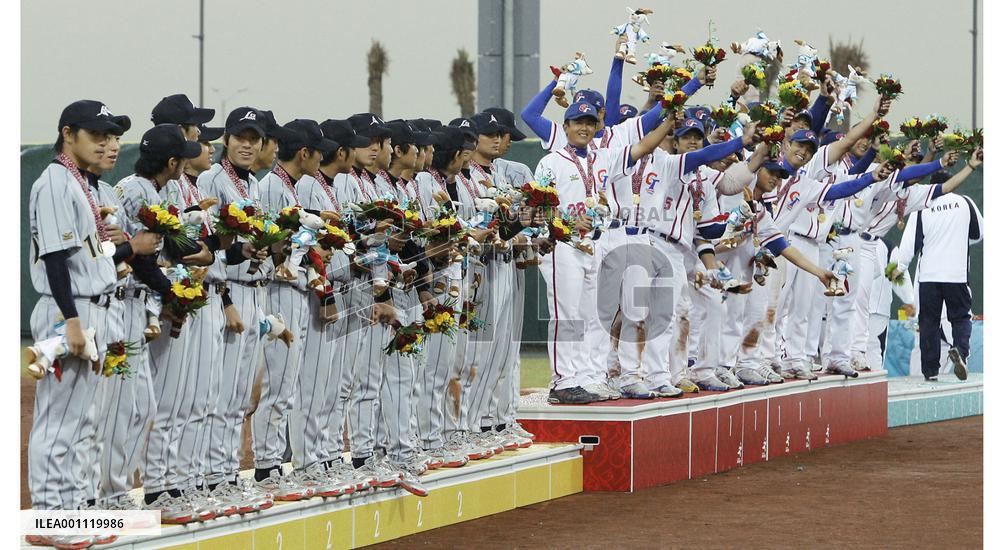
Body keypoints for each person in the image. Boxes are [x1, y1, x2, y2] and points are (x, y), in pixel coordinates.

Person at [253, 119, 339, 499]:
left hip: (296, 290)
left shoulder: (286, 185)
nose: (321, 158)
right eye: (318, 152)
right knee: (278, 385)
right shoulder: (273, 187)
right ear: (304, 153)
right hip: (279, 290)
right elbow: (273, 243)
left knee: (288, 387)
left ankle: (277, 464)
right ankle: (266, 467)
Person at [197, 107, 275, 513]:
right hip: (228, 293)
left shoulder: (253, 183)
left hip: (254, 291)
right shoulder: (212, 179)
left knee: (241, 395)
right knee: (222, 393)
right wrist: (227, 299)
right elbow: (208, 246)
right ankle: (213, 476)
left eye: (254, 139)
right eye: (240, 137)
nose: (247, 144)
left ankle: (226, 473)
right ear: (226, 139)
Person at [895, 152, 984, 381]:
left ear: (931, 187)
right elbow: (979, 234)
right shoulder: (966, 202)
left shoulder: (922, 205)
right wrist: (958, 240)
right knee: (961, 317)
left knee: (929, 323)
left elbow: (908, 247)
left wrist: (897, 269)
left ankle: (930, 370)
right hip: (956, 274)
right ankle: (961, 352)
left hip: (929, 277)